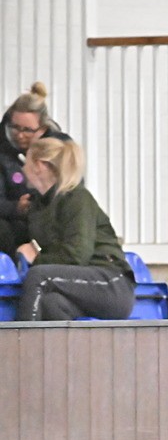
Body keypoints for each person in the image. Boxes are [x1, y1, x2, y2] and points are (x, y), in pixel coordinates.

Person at [15, 137, 134, 321]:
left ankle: (19, 339)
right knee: (50, 303)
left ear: (39, 165)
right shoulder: (39, 206)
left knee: (39, 276)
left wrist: (36, 258)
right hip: (77, 284)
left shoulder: (77, 199)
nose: (23, 169)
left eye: (27, 162)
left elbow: (77, 255)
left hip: (111, 283)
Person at [0, 82, 71, 258]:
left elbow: (72, 189)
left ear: (42, 129)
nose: (20, 135)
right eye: (14, 127)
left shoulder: (61, 149)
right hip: (12, 223)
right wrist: (16, 208)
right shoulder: (2, 152)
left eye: (27, 130)